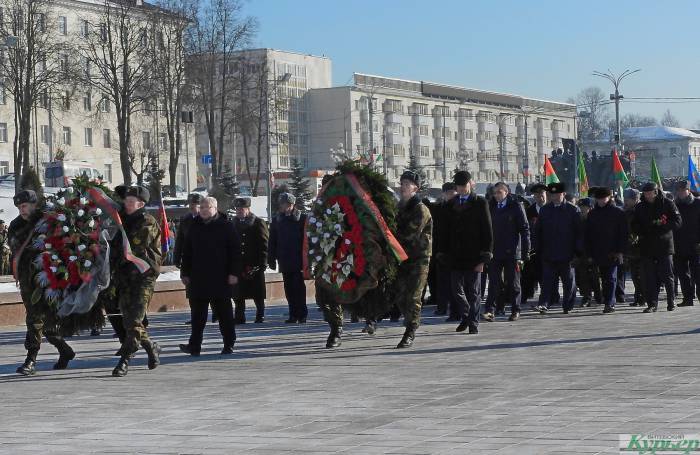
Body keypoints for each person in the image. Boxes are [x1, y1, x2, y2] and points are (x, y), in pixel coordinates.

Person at [11, 190, 75, 375]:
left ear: (33, 205)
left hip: (48, 276)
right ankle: (65, 350)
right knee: (40, 320)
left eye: (24, 206)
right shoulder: (16, 225)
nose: (21, 210)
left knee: (36, 318)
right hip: (27, 279)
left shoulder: (47, 221)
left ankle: (31, 360)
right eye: (19, 207)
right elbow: (16, 250)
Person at [111, 185, 162, 377]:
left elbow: (133, 247)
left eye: (131, 202)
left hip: (143, 277)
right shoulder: (123, 219)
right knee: (130, 322)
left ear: (141, 204)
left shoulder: (146, 221)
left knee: (133, 321)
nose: (127, 204)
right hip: (125, 278)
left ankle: (124, 361)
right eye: (126, 201)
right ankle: (151, 347)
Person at [180, 197, 239, 356]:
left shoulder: (226, 226)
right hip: (198, 278)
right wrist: (184, 272)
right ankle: (195, 346)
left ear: (215, 208)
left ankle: (228, 344)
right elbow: (187, 252)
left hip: (220, 277)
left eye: (208, 207)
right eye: (202, 207)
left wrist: (234, 273)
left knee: (224, 314)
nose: (204, 209)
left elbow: (235, 251)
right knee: (197, 316)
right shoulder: (194, 226)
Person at [438, 170, 493, 334]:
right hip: (455, 255)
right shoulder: (450, 204)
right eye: (459, 186)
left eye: (464, 185)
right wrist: (442, 252)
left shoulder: (480, 203)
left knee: (474, 292)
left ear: (471, 184)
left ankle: (473, 323)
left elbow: (487, 231)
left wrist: (485, 255)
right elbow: (444, 232)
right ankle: (467, 315)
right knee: (456, 290)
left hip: (475, 255)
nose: (462, 189)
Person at [390, 170, 433, 348]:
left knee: (414, 296)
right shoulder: (399, 207)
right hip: (402, 258)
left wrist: (389, 239)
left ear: (416, 188)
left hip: (419, 258)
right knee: (400, 296)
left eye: (407, 184)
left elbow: (410, 234)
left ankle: (410, 330)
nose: (403, 187)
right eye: (402, 183)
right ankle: (409, 321)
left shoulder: (420, 209)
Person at [631, 182, 682, 313]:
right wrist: (639, 230)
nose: (648, 196)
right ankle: (652, 304)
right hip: (647, 246)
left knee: (667, 275)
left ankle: (671, 301)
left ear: (656, 192)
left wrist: (662, 225)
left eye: (650, 193)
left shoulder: (667, 203)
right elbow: (634, 223)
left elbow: (677, 221)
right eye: (646, 193)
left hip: (664, 245)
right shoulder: (640, 207)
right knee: (649, 277)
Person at [483, 182, 529, 322]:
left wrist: (525, 252)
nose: (496, 195)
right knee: (494, 282)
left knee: (514, 283)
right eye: (494, 193)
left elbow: (524, 230)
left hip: (512, 252)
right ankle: (490, 310)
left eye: (499, 192)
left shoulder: (515, 206)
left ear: (506, 192)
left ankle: (516, 310)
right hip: (495, 251)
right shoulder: (491, 206)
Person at [534, 182, 582, 314]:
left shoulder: (573, 210)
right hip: (549, 252)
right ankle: (543, 303)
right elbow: (538, 231)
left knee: (568, 282)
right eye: (552, 194)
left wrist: (578, 252)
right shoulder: (545, 210)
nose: (554, 196)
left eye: (557, 194)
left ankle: (567, 305)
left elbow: (579, 233)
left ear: (563, 194)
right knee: (547, 281)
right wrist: (537, 248)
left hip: (567, 253)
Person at [584, 187, 628, 314]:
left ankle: (610, 303)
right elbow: (588, 235)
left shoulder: (618, 213)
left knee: (611, 277)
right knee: (603, 278)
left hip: (613, 251)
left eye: (604, 198)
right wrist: (589, 253)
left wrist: (620, 251)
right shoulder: (592, 214)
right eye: (599, 199)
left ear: (609, 198)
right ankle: (607, 299)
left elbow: (623, 234)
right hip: (598, 251)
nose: (601, 201)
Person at [269, 192, 308, 323]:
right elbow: (272, 240)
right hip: (284, 259)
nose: (282, 206)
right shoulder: (277, 219)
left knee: (298, 288)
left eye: (284, 204)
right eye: (281, 204)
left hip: (298, 259)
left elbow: (307, 240)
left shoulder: (302, 219)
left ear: (291, 204)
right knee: (289, 288)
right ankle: (293, 314)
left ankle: (302, 314)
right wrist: (271, 258)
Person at [232, 197, 269, 324]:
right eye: (237, 209)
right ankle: (239, 315)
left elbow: (264, 244)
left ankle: (260, 314)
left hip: (254, 263)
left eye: (241, 209)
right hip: (238, 264)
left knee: (257, 292)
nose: (239, 211)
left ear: (248, 209)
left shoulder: (258, 222)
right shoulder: (233, 224)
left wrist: (263, 263)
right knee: (238, 293)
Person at [432, 182, 458, 320]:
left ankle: (456, 308)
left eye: (452, 193)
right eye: (447, 193)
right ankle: (441, 307)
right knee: (442, 281)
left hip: (456, 250)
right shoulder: (438, 208)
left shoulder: (460, 207)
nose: (450, 195)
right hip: (441, 250)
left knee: (456, 282)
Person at [672, 181, 700, 307]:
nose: (681, 192)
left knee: (697, 273)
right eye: (678, 190)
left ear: (688, 190)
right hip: (679, 244)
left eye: (683, 190)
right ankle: (687, 298)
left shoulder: (698, 203)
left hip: (696, 245)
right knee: (683, 274)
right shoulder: (674, 205)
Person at [521, 183, 547, 307]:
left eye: (541, 194)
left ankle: (548, 297)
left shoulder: (551, 209)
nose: (539, 197)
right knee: (530, 273)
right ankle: (526, 295)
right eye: (537, 195)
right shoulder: (529, 211)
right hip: (533, 249)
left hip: (548, 248)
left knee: (547, 275)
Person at [573, 197, 601, 307]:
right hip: (581, 252)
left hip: (594, 252)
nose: (583, 210)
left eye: (585, 207)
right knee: (582, 276)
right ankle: (586, 297)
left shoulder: (596, 219)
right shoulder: (577, 220)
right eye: (581, 208)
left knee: (596, 276)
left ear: (590, 208)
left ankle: (599, 295)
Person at [623, 189, 644, 307]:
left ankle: (643, 297)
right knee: (635, 276)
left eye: (628, 199)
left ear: (635, 199)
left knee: (641, 275)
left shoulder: (640, 211)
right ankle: (638, 297)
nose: (626, 201)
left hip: (641, 247)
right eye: (625, 199)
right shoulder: (625, 212)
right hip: (630, 248)